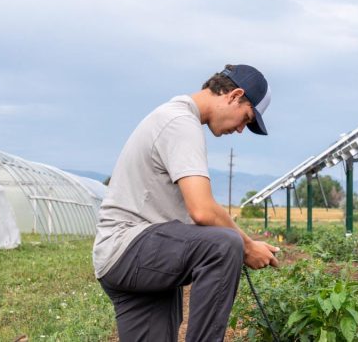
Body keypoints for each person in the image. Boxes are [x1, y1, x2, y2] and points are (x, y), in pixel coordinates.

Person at [92, 64, 279, 342]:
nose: (241, 129)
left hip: (126, 259)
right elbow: (202, 210)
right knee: (225, 244)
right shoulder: (180, 122)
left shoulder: (173, 117)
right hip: (130, 247)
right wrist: (248, 246)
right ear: (234, 95)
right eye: (246, 118)